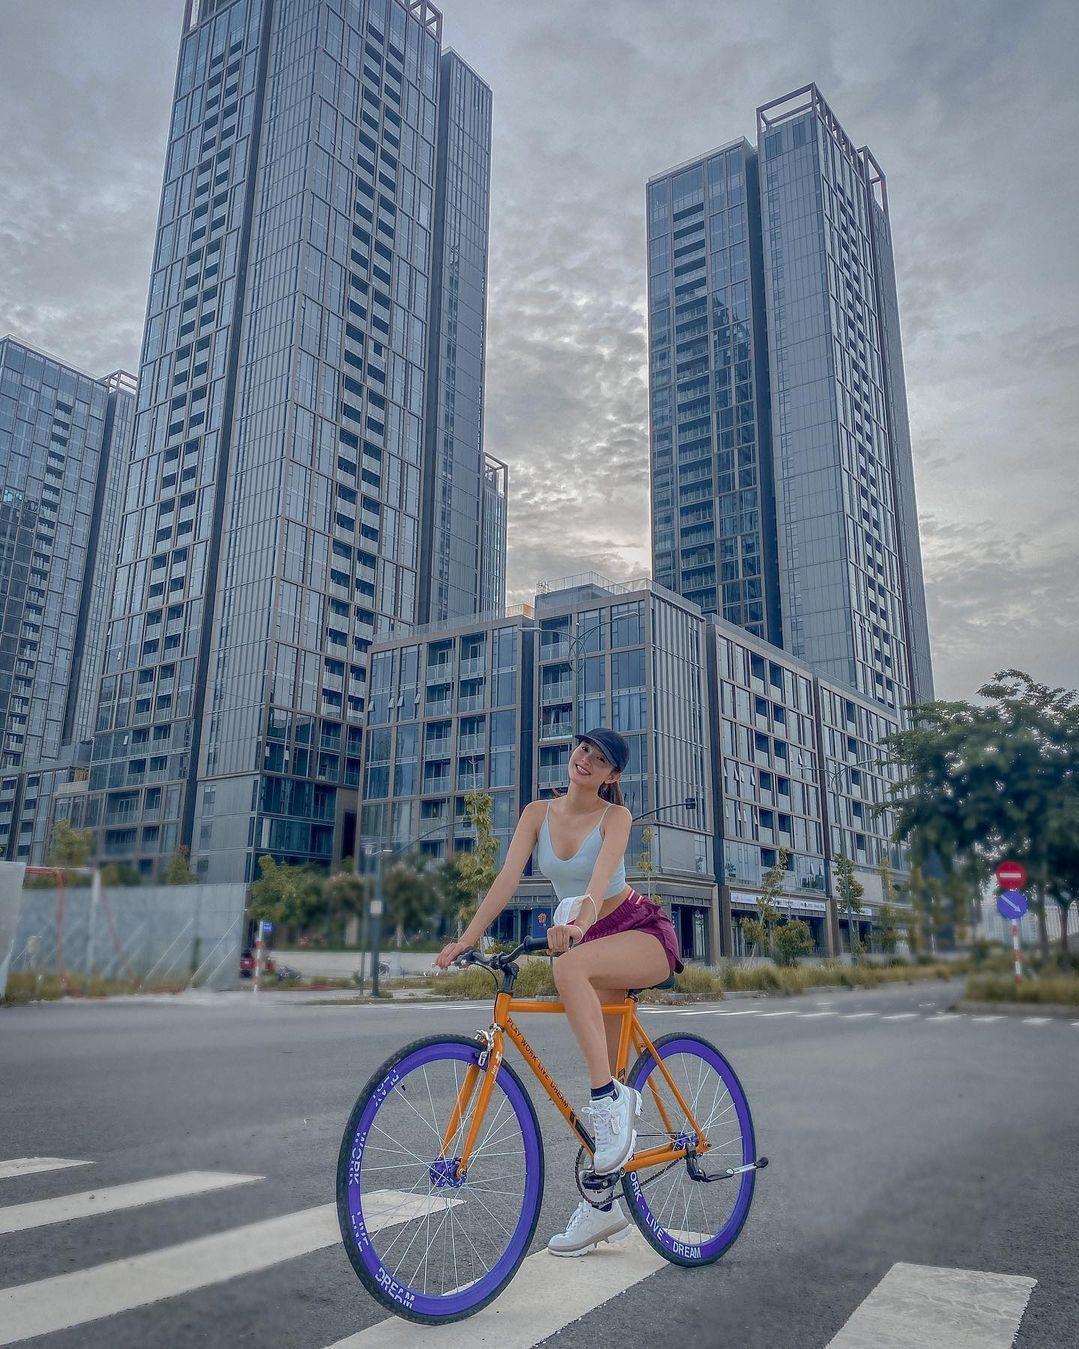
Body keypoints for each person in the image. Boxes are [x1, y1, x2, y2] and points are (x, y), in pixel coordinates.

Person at [436, 727, 684, 1257]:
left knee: (570, 976)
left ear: (612, 775)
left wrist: (577, 924)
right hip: (586, 942)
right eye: (583, 749)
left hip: (636, 932)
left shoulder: (616, 817)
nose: (586, 760)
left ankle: (609, 1101)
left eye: (600, 759)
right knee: (606, 1060)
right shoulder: (536, 814)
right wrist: (467, 939)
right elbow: (507, 879)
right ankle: (603, 1206)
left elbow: (596, 885)